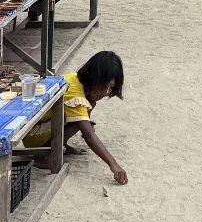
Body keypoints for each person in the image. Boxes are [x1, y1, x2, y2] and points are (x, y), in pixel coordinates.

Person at [24, 49, 128, 184]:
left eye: (110, 88)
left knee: (85, 112)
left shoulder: (77, 80)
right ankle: (45, 156)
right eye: (104, 86)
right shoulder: (74, 92)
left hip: (39, 127)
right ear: (93, 78)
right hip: (31, 134)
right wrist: (113, 165)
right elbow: (89, 135)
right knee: (79, 121)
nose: (105, 92)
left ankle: (61, 145)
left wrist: (86, 124)